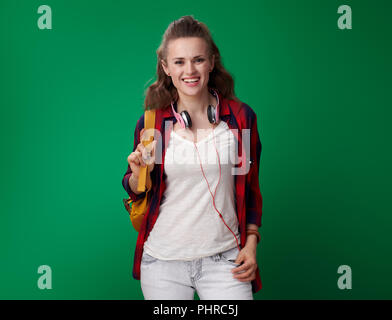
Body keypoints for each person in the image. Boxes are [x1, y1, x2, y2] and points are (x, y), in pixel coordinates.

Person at [122, 15, 263, 300]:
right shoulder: (152, 125)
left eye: (198, 59)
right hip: (163, 264)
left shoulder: (240, 119)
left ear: (211, 62)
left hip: (225, 261)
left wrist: (250, 245)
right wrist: (136, 175)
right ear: (166, 67)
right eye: (179, 62)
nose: (190, 70)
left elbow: (250, 189)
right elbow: (137, 190)